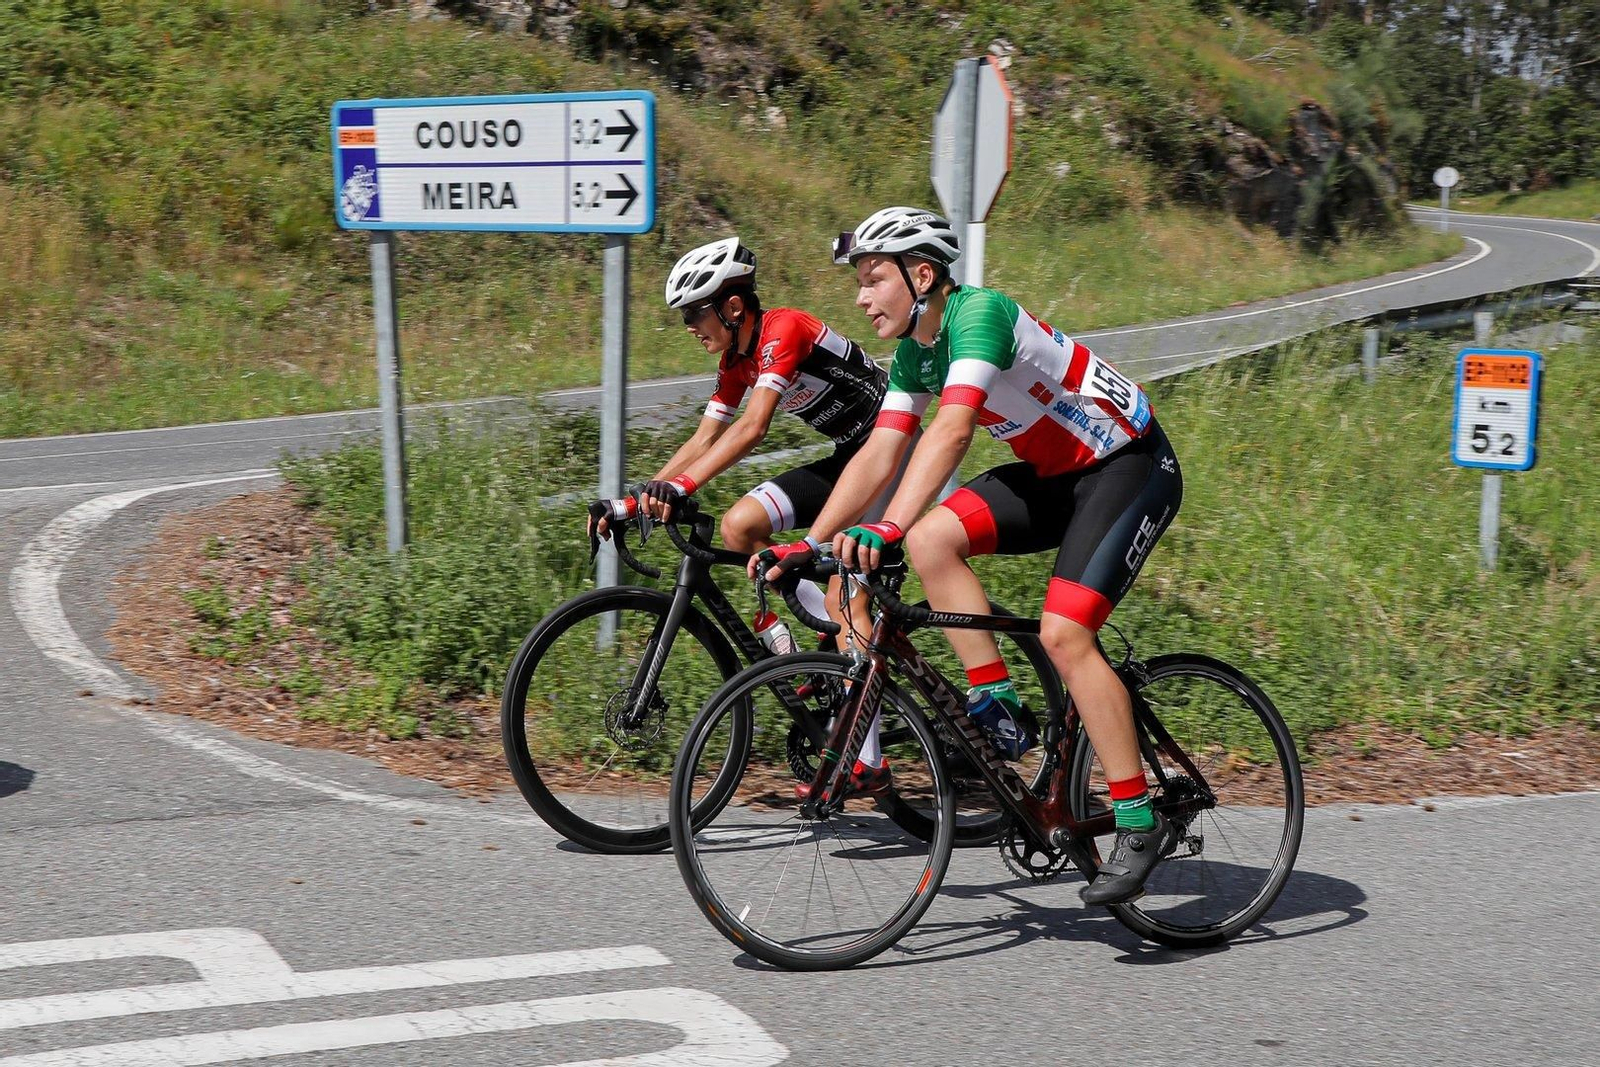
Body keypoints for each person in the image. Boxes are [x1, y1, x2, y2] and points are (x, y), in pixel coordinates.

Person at [757, 207, 1184, 905]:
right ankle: (997, 701)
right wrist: (811, 542)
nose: (862, 298)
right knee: (932, 538)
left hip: (1127, 465)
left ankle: (1138, 819)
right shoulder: (917, 353)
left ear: (921, 276)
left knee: (1065, 633)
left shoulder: (979, 315)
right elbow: (882, 449)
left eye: (872, 280)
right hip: (1055, 477)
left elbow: (952, 431)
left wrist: (885, 527)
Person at [589, 236, 888, 636]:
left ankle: (858, 680)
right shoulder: (735, 362)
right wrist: (635, 501)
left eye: (695, 313)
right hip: (850, 456)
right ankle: (828, 634)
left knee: (845, 602)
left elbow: (753, 426)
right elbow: (703, 439)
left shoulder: (785, 329)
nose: (690, 327)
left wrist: (680, 488)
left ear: (732, 307)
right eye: (684, 318)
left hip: (892, 452)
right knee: (739, 527)